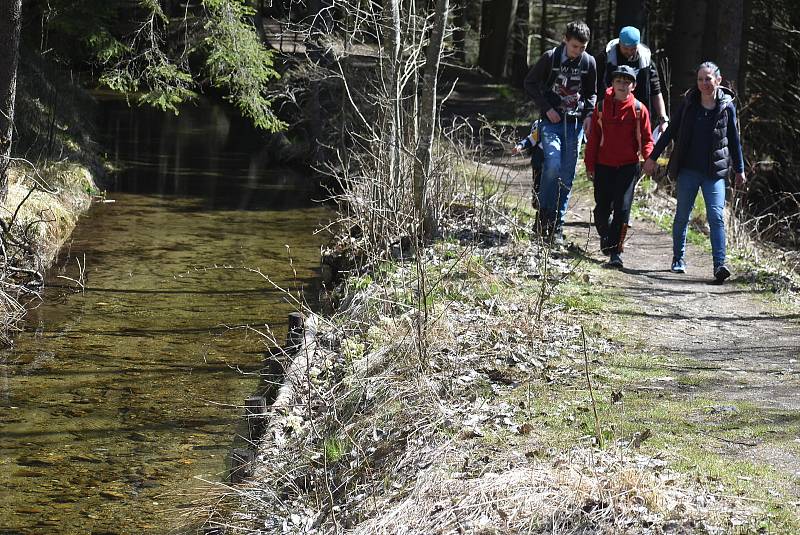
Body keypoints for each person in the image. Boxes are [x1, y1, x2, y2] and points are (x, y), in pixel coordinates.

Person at [643, 61, 746, 283]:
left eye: (708, 79)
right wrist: (652, 157)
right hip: (688, 170)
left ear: (718, 80)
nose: (704, 83)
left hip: (714, 173)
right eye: (700, 79)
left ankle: (720, 265)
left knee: (717, 217)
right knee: (682, 215)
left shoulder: (727, 106)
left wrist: (739, 170)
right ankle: (678, 259)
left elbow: (734, 141)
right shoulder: (689, 103)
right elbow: (670, 132)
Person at [524, 21, 597, 243]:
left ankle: (557, 224)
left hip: (574, 126)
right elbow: (530, 83)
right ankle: (543, 215)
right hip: (551, 122)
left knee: (567, 175)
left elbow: (592, 93)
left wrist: (589, 115)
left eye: (583, 47)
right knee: (552, 165)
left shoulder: (588, 62)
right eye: (575, 46)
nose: (578, 51)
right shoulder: (550, 57)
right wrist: (547, 108)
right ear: (565, 39)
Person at [584, 65, 654, 268]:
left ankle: (616, 253)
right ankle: (606, 237)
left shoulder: (640, 109)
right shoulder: (600, 107)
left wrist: (649, 159)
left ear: (633, 86)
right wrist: (590, 165)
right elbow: (594, 140)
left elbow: (648, 140)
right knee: (602, 210)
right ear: (612, 84)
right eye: (618, 81)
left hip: (628, 167)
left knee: (623, 210)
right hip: (603, 166)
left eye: (626, 82)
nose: (622, 85)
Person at [595, 26, 669, 138]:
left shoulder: (646, 60)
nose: (629, 52)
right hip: (609, 114)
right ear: (619, 43)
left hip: (636, 115)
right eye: (625, 48)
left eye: (633, 48)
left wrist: (663, 119)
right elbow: (594, 87)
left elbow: (656, 91)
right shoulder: (605, 58)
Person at [511, 120, 545, 207]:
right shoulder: (540, 126)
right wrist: (520, 146)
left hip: (555, 166)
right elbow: (530, 139)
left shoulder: (562, 128)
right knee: (537, 183)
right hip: (538, 164)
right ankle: (536, 202)